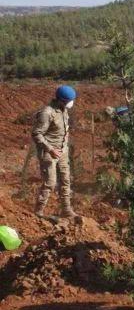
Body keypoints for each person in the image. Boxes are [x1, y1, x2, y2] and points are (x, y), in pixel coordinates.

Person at [32, 85, 78, 220]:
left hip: (62, 151)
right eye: (69, 100)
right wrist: (50, 149)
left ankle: (66, 210)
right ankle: (38, 211)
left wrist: (63, 150)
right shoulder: (47, 113)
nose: (72, 103)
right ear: (61, 100)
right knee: (50, 183)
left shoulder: (63, 110)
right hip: (49, 152)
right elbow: (37, 134)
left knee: (65, 181)